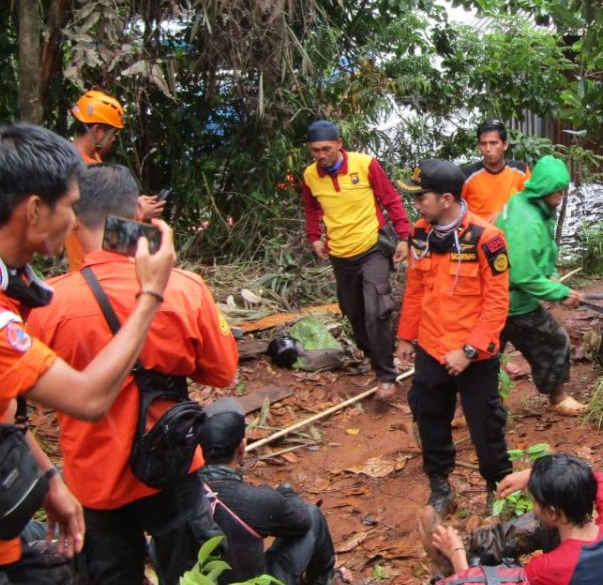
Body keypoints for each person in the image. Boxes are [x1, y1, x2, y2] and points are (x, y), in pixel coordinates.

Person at [0, 123, 176, 583]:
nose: (76, 222)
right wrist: (150, 293)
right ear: (34, 210)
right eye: (71, 207)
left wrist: (49, 479)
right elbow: (88, 398)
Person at [27, 163, 237, 584]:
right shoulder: (184, 288)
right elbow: (222, 371)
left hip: (94, 477)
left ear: (72, 222)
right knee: (195, 569)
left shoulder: (47, 306)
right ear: (137, 217)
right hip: (171, 463)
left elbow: (26, 397)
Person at [395, 159, 512, 520]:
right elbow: (415, 287)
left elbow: (497, 302)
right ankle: (441, 487)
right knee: (429, 416)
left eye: (421, 198)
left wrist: (469, 349)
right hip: (430, 345)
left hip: (472, 354)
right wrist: (405, 337)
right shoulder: (420, 233)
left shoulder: (487, 238)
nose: (416, 204)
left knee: (485, 422)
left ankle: (499, 488)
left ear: (446, 199)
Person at [300, 120, 411, 400]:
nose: (321, 155)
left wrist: (404, 236)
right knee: (354, 313)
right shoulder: (311, 175)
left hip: (372, 246)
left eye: (326, 148)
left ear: (339, 144)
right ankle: (376, 358)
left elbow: (391, 199)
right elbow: (311, 207)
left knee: (378, 311)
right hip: (340, 254)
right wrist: (314, 236)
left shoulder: (365, 164)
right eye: (315, 150)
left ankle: (387, 375)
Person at [198, 398, 348, 585]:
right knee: (312, 515)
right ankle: (326, 578)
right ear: (242, 447)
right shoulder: (257, 499)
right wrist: (286, 493)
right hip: (255, 580)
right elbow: (302, 521)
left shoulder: (180, 498)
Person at [428, 453, 603, 585]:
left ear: (552, 512)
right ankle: (471, 547)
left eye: (535, 500)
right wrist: (533, 475)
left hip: (566, 573)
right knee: (541, 527)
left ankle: (457, 558)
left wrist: (457, 556)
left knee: (491, 573)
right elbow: (599, 479)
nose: (534, 505)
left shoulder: (549, 568)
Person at [495, 155, 586, 416]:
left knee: (486, 358)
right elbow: (522, 274)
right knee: (555, 341)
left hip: (499, 298)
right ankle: (558, 398)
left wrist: (550, 273)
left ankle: (462, 411)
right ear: (544, 187)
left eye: (562, 189)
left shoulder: (529, 205)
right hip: (510, 301)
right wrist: (561, 293)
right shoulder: (526, 220)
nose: (560, 194)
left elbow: (540, 253)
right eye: (556, 189)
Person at [65, 89, 166, 270]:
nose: (113, 141)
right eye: (113, 135)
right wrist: (137, 213)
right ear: (98, 132)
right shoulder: (78, 168)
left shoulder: (90, 158)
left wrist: (133, 203)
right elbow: (94, 218)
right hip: (90, 263)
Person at [462, 120, 531, 222]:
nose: (488, 149)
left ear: (505, 145)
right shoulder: (467, 176)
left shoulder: (521, 172)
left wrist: (506, 212)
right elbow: (455, 212)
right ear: (479, 146)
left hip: (512, 234)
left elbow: (531, 205)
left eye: (493, 143)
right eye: (483, 144)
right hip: (479, 236)